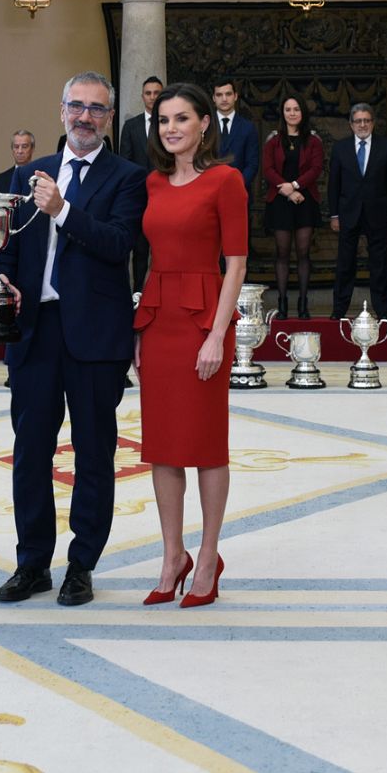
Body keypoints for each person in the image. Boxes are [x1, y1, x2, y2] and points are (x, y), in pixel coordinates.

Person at [0, 73, 147, 607]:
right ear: (61, 111)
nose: (85, 117)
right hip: (34, 332)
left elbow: (119, 243)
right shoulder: (28, 174)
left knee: (94, 453)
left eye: (96, 109)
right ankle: (31, 563)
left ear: (108, 118)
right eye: (77, 107)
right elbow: (6, 245)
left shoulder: (128, 177)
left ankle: (81, 565)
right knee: (30, 451)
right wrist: (5, 278)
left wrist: (62, 210)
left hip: (96, 337)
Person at [134, 82, 248, 608]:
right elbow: (149, 256)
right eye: (163, 120)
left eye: (181, 118)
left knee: (204, 444)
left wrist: (218, 335)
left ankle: (207, 556)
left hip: (203, 320)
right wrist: (140, 331)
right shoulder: (153, 184)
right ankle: (171, 554)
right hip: (158, 321)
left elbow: (237, 263)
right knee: (161, 445)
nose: (171, 128)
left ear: (205, 123)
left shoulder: (226, 180)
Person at [328, 103, 387, 320]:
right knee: (345, 264)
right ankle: (339, 310)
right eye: (358, 121)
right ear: (351, 124)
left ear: (373, 123)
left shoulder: (386, 147)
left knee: (380, 264)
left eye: (366, 120)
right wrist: (334, 215)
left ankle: (383, 311)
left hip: (378, 212)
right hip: (348, 213)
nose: (362, 125)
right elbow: (334, 185)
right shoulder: (340, 148)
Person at [262, 95, 324, 318]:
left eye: (296, 109)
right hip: (280, 201)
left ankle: (303, 303)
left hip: (305, 201)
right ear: (283, 113)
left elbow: (316, 168)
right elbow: (267, 168)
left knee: (303, 253)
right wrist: (285, 189)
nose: (292, 113)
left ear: (302, 112)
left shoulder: (314, 140)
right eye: (288, 109)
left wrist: (295, 186)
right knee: (282, 253)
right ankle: (282, 302)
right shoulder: (273, 140)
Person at [117, 76, 164, 291]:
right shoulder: (131, 126)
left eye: (156, 93)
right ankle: (137, 297)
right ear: (142, 96)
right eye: (148, 93)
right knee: (140, 250)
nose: (152, 97)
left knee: (165, 249)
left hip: (166, 195)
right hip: (139, 196)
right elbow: (125, 162)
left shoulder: (169, 124)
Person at [213, 78, 260, 197]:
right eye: (219, 95)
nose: (224, 99)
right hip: (209, 193)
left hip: (239, 193)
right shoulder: (204, 127)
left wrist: (236, 186)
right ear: (214, 98)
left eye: (228, 94)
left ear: (235, 96)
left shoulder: (248, 127)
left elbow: (252, 164)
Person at [0, 129, 36, 194]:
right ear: (12, 149)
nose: (20, 151)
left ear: (32, 149)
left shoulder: (41, 178)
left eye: (24, 147)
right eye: (16, 147)